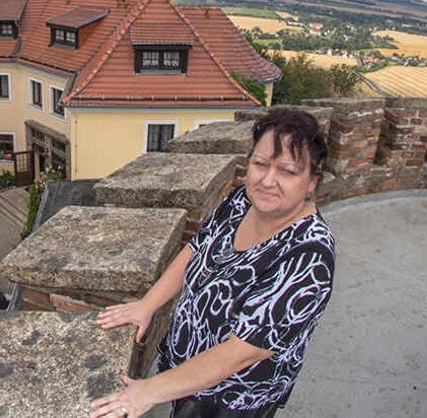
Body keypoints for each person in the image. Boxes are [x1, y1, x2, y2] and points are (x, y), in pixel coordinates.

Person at [92, 108, 335, 418]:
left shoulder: (308, 258)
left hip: (231, 400)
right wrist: (147, 305)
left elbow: (240, 352)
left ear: (313, 179)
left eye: (287, 171)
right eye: (260, 164)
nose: (268, 180)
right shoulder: (241, 201)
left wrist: (147, 391)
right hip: (187, 373)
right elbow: (198, 248)